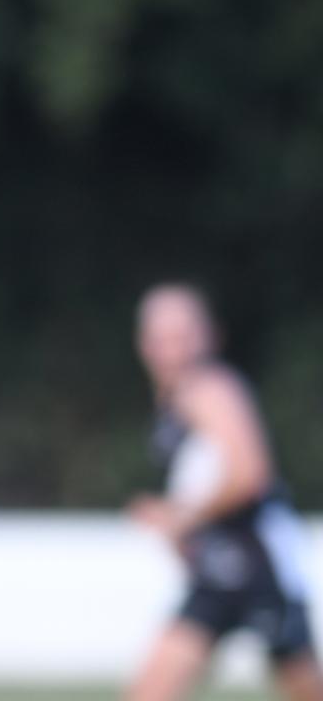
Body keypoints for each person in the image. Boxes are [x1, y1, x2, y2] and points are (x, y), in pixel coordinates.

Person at [128, 283, 323, 701]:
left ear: (209, 336)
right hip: (218, 572)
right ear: (144, 344)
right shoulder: (173, 398)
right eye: (162, 338)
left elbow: (250, 475)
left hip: (259, 569)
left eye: (184, 335)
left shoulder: (211, 389)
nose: (174, 350)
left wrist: (179, 516)